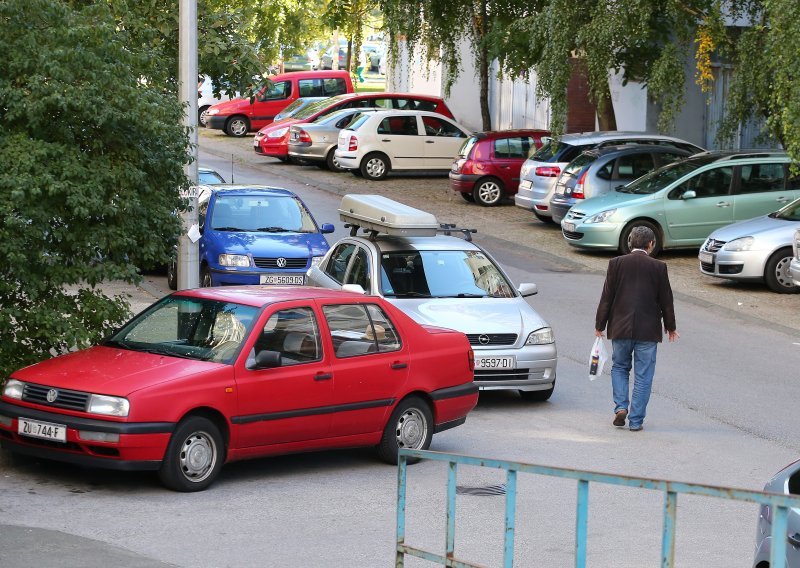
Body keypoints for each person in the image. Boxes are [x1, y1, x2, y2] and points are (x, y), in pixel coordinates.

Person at [594, 226, 679, 431]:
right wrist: (670, 327)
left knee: (620, 368)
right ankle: (636, 421)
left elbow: (607, 297)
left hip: (620, 327)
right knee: (643, 375)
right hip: (648, 331)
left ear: (630, 242)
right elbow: (666, 300)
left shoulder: (616, 263)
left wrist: (600, 325)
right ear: (651, 244)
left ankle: (621, 407)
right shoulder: (659, 267)